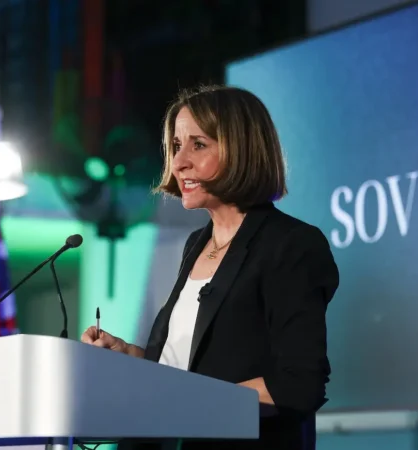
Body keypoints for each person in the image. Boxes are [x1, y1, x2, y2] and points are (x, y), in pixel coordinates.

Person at [81, 85, 339, 450]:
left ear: (241, 149)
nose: (178, 162)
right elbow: (190, 370)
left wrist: (191, 405)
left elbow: (299, 383)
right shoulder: (195, 245)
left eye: (198, 145)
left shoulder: (291, 244)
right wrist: (131, 356)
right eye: (176, 146)